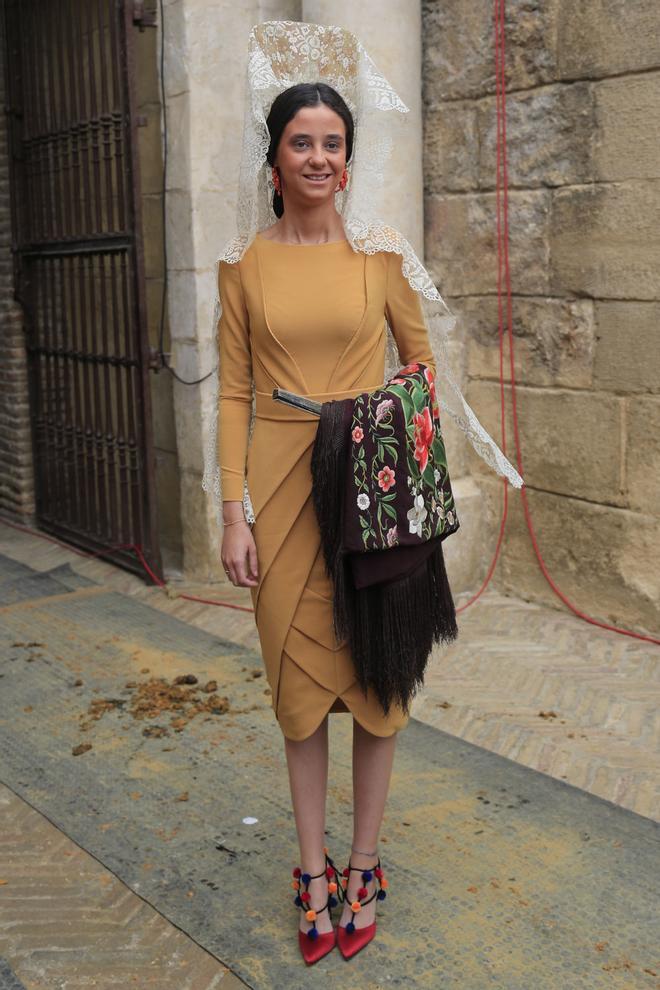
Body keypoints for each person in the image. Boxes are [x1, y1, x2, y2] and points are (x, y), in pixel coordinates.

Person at [203, 20, 523, 965]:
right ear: (274, 160)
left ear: (348, 160)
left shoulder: (381, 255)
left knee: (379, 683)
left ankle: (365, 861)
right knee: (299, 696)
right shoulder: (242, 266)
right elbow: (230, 391)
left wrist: (379, 429)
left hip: (372, 494)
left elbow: (421, 367)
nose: (317, 156)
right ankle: (310, 871)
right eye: (300, 141)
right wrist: (233, 508)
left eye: (332, 143)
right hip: (282, 488)